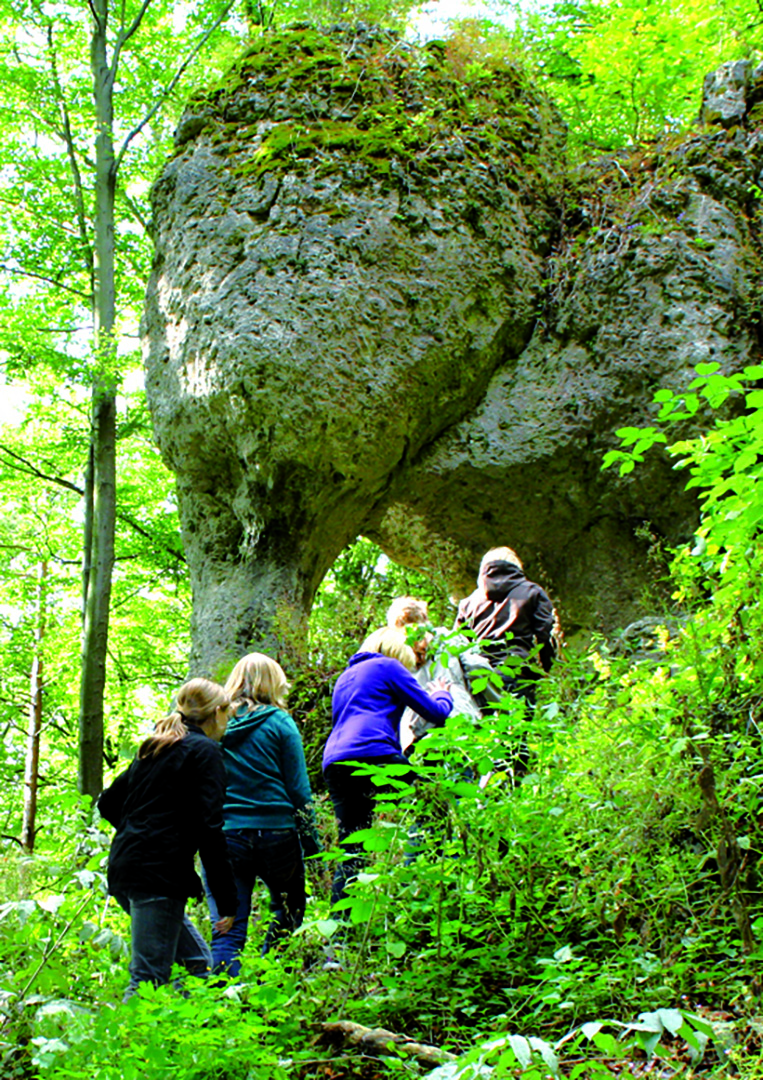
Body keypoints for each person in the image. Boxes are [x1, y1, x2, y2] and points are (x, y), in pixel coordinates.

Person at [98, 679, 237, 1000]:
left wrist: (141, 831)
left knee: (195, 963)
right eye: (228, 715)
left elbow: (108, 803)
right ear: (217, 713)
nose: (227, 723)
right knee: (148, 979)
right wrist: (227, 901)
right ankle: (125, 1049)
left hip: (128, 867)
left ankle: (180, 1042)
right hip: (157, 874)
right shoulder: (204, 753)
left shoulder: (157, 746)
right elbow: (210, 830)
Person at [203, 652, 321, 976]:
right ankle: (269, 982)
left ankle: (224, 1007)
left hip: (227, 837)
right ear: (274, 685)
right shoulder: (280, 722)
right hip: (278, 836)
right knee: (289, 911)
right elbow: (299, 790)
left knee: (228, 929)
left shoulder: (215, 724)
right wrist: (312, 841)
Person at [322, 627, 453, 907]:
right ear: (398, 651)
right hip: (373, 753)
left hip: (335, 762)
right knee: (434, 802)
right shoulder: (388, 666)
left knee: (353, 848)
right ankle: (420, 885)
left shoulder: (345, 678)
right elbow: (435, 713)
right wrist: (444, 694)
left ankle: (338, 935)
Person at [455, 546, 556, 710]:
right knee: (519, 731)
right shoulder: (532, 592)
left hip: (480, 678)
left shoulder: (469, 602)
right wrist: (548, 668)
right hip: (517, 672)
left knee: (485, 732)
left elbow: (458, 643)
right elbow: (544, 634)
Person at [387, 596, 482, 753]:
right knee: (461, 771)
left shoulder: (395, 652)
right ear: (424, 616)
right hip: (459, 716)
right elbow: (477, 667)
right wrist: (487, 707)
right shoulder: (450, 638)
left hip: (417, 730)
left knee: (429, 775)